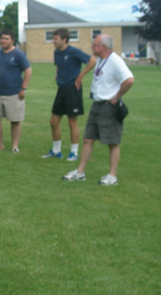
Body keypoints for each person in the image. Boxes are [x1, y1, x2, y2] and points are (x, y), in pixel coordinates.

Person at [63, 34, 134, 186]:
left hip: (109, 106)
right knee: (88, 139)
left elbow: (129, 79)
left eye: (94, 44)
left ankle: (112, 176)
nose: (92, 47)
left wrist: (117, 96)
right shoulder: (101, 60)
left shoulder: (115, 60)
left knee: (112, 142)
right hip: (97, 104)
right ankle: (80, 172)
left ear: (102, 47)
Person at [42, 28, 95, 161]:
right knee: (53, 121)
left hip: (73, 89)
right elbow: (59, 65)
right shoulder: (56, 52)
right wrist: (57, 75)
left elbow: (92, 60)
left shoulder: (74, 51)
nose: (53, 41)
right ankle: (56, 151)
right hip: (61, 89)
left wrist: (81, 76)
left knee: (72, 122)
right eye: (53, 38)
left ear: (64, 40)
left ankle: (74, 153)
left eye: (56, 39)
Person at [0, 29, 32, 153]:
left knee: (15, 120)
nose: (3, 41)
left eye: (6, 39)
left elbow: (28, 70)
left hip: (14, 93)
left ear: (12, 41)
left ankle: (15, 146)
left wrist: (23, 88)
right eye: (2, 38)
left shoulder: (18, 54)